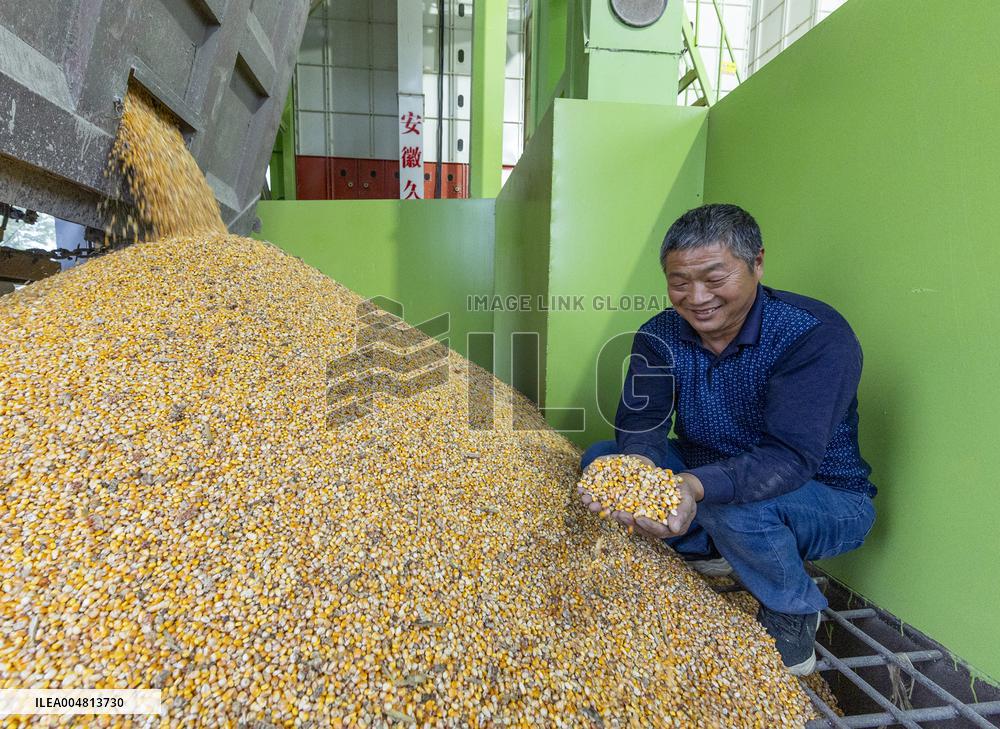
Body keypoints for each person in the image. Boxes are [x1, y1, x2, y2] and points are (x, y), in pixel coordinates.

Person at [579, 203, 876, 676]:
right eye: (679, 282)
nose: (696, 297)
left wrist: (694, 487)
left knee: (730, 501)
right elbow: (643, 422)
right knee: (605, 459)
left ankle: (794, 610)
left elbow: (789, 457)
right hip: (712, 469)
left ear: (757, 263)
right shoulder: (659, 335)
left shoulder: (813, 336)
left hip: (823, 495)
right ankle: (712, 548)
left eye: (715, 279)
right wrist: (634, 467)